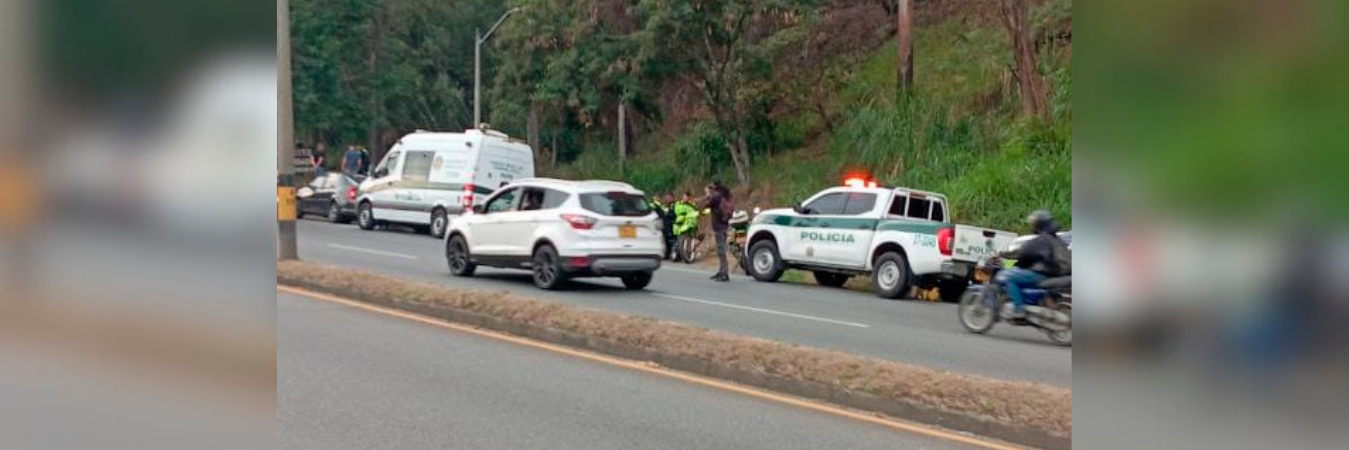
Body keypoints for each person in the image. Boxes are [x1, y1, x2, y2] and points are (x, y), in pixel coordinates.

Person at [997, 210, 1069, 318]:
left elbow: (1023, 253)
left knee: (1010, 278)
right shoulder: (1056, 239)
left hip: (1042, 273)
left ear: (1039, 224)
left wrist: (1004, 255)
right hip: (1054, 274)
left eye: (1033, 223)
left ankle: (1019, 310)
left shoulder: (1042, 240)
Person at [698, 181, 733, 282]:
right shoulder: (724, 195)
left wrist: (708, 194)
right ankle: (721, 271)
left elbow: (704, 205)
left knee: (721, 251)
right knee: (720, 250)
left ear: (714, 187)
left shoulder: (716, 196)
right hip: (724, 225)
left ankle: (724, 273)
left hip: (719, 227)